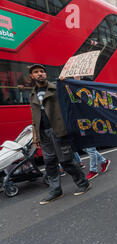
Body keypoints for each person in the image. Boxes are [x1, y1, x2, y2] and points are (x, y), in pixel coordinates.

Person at [29, 64, 91, 204]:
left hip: (58, 130)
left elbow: (72, 98)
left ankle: (83, 183)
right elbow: (34, 116)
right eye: (36, 72)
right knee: (49, 163)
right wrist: (35, 135)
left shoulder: (57, 87)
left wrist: (66, 83)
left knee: (66, 161)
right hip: (43, 133)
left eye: (42, 71)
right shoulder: (32, 94)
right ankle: (55, 190)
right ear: (32, 76)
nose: (40, 74)